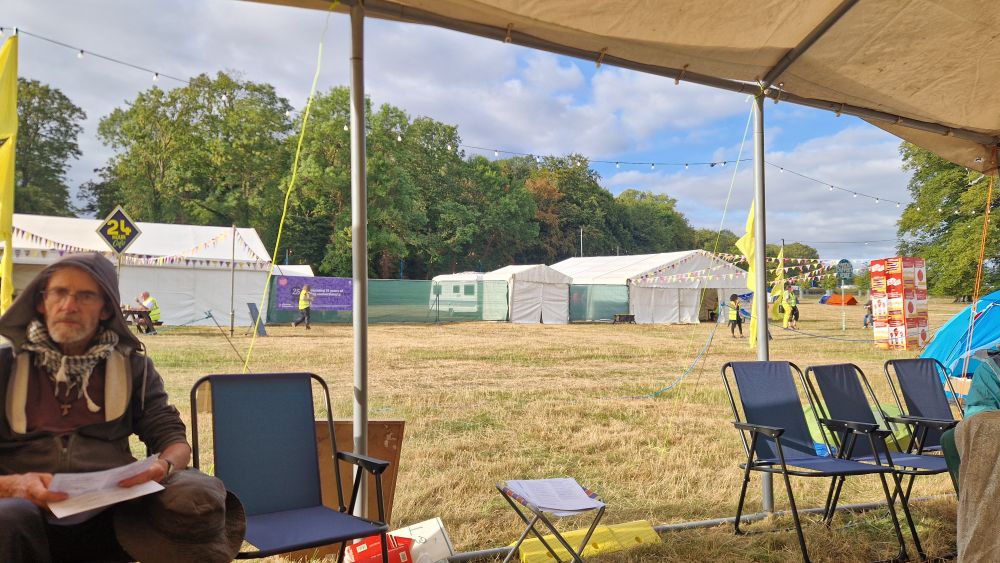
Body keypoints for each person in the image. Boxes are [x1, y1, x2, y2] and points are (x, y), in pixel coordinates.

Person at [0, 252, 244, 562]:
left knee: (192, 496)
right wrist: (14, 486)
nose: (69, 305)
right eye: (59, 292)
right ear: (40, 302)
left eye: (86, 295)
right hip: (18, 507)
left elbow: (173, 440)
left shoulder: (132, 368)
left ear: (106, 309)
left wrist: (163, 466)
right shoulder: (4, 367)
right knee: (8, 517)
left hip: (109, 506)